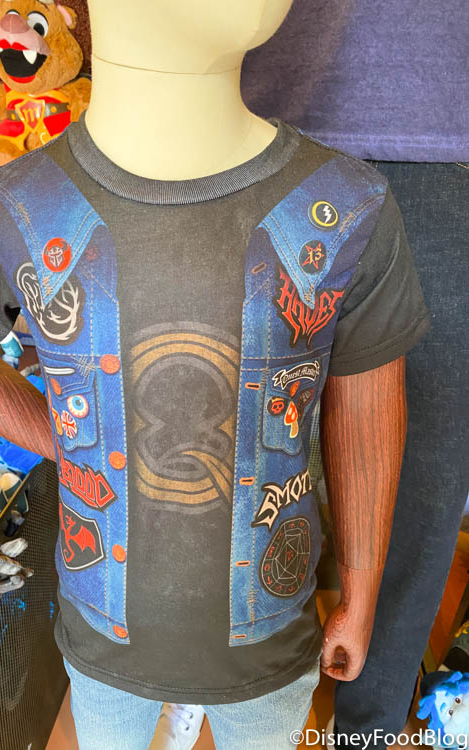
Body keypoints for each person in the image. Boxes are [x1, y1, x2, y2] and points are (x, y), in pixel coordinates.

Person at [0, 1, 429, 748]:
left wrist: (360, 592)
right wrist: (79, 448)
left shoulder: (347, 209)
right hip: (101, 638)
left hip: (268, 640)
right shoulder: (15, 207)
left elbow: (366, 416)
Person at [240, 0, 469, 742]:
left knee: (422, 487)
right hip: (251, 124)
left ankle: (363, 729)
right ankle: (244, 711)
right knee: (232, 460)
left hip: (441, 131)